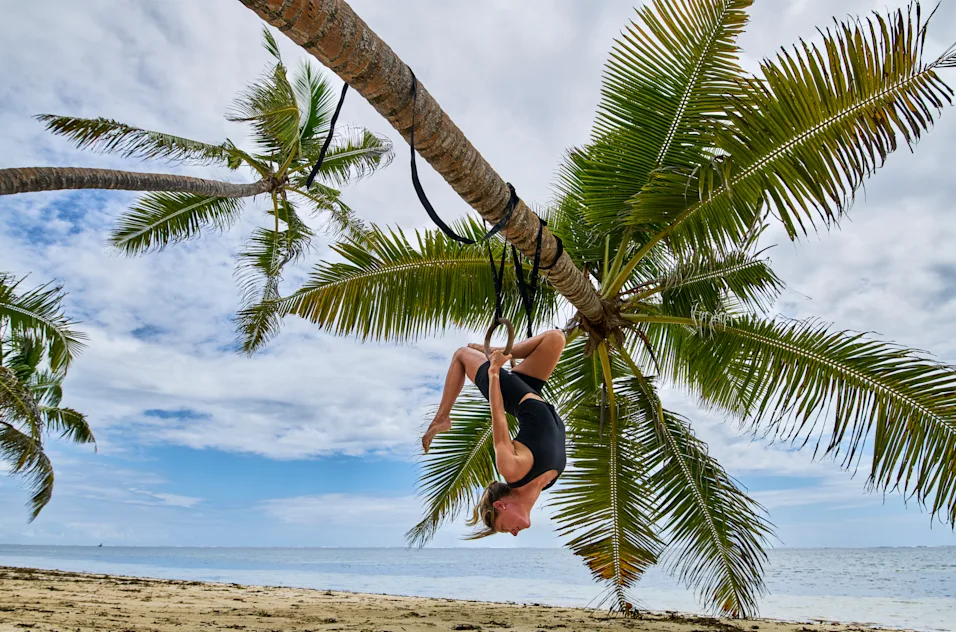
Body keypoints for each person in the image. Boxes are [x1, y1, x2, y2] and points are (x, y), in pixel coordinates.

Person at [422, 329, 567, 538]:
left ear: (501, 505)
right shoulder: (547, 483)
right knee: (556, 338)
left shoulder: (512, 469)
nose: (513, 533)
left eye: (504, 528)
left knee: (461, 355)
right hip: (531, 391)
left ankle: (442, 418)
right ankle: (494, 352)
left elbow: (498, 416)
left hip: (511, 394)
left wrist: (494, 372)